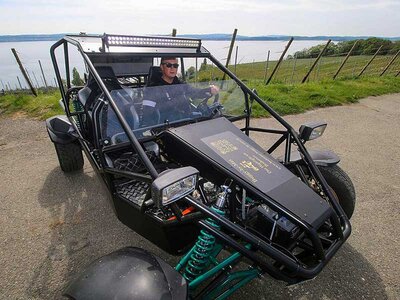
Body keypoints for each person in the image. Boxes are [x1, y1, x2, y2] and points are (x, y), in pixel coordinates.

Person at [143, 57, 219, 124]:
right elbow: (148, 113)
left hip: (185, 121)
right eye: (169, 65)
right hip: (165, 126)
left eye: (175, 66)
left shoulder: (180, 84)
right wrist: (178, 101)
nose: (172, 68)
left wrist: (208, 90)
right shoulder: (152, 88)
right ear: (162, 67)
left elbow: (194, 92)